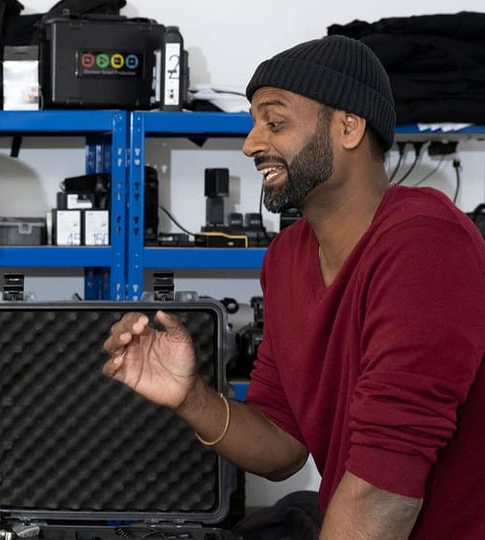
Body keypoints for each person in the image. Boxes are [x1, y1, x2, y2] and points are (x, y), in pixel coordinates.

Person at [103, 35, 485, 539]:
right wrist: (189, 398)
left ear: (348, 126)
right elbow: (282, 445)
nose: (251, 143)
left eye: (275, 121)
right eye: (254, 122)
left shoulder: (426, 242)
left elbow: (383, 483)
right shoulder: (286, 257)